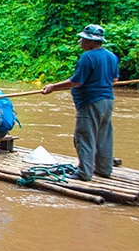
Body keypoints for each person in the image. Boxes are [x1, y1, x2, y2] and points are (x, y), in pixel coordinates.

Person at [41, 24, 119, 181]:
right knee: (103, 135)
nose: (80, 42)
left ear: (90, 41)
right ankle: (104, 169)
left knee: (84, 136)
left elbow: (76, 81)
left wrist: (52, 87)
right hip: (107, 101)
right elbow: (114, 79)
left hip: (90, 102)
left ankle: (84, 172)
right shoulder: (112, 56)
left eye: (82, 39)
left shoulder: (88, 57)